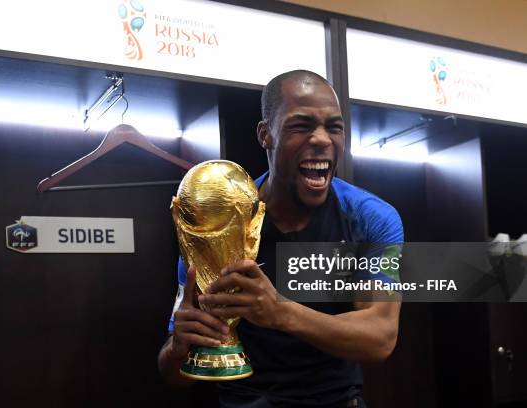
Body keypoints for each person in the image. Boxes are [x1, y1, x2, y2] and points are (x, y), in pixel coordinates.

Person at [158, 70, 403, 407]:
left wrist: (280, 312)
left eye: (334, 127)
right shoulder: (218, 220)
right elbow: (173, 375)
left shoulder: (371, 218)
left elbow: (381, 337)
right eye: (300, 126)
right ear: (265, 134)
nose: (321, 139)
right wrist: (178, 348)